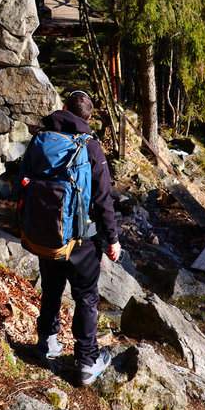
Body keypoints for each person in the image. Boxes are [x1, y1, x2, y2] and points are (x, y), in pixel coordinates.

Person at [33, 89, 121, 386]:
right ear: (88, 116)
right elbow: (103, 198)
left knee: (51, 288)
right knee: (85, 297)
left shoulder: (42, 139)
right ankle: (86, 361)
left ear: (63, 108)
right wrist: (112, 238)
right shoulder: (90, 147)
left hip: (46, 233)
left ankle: (46, 342)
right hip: (82, 238)